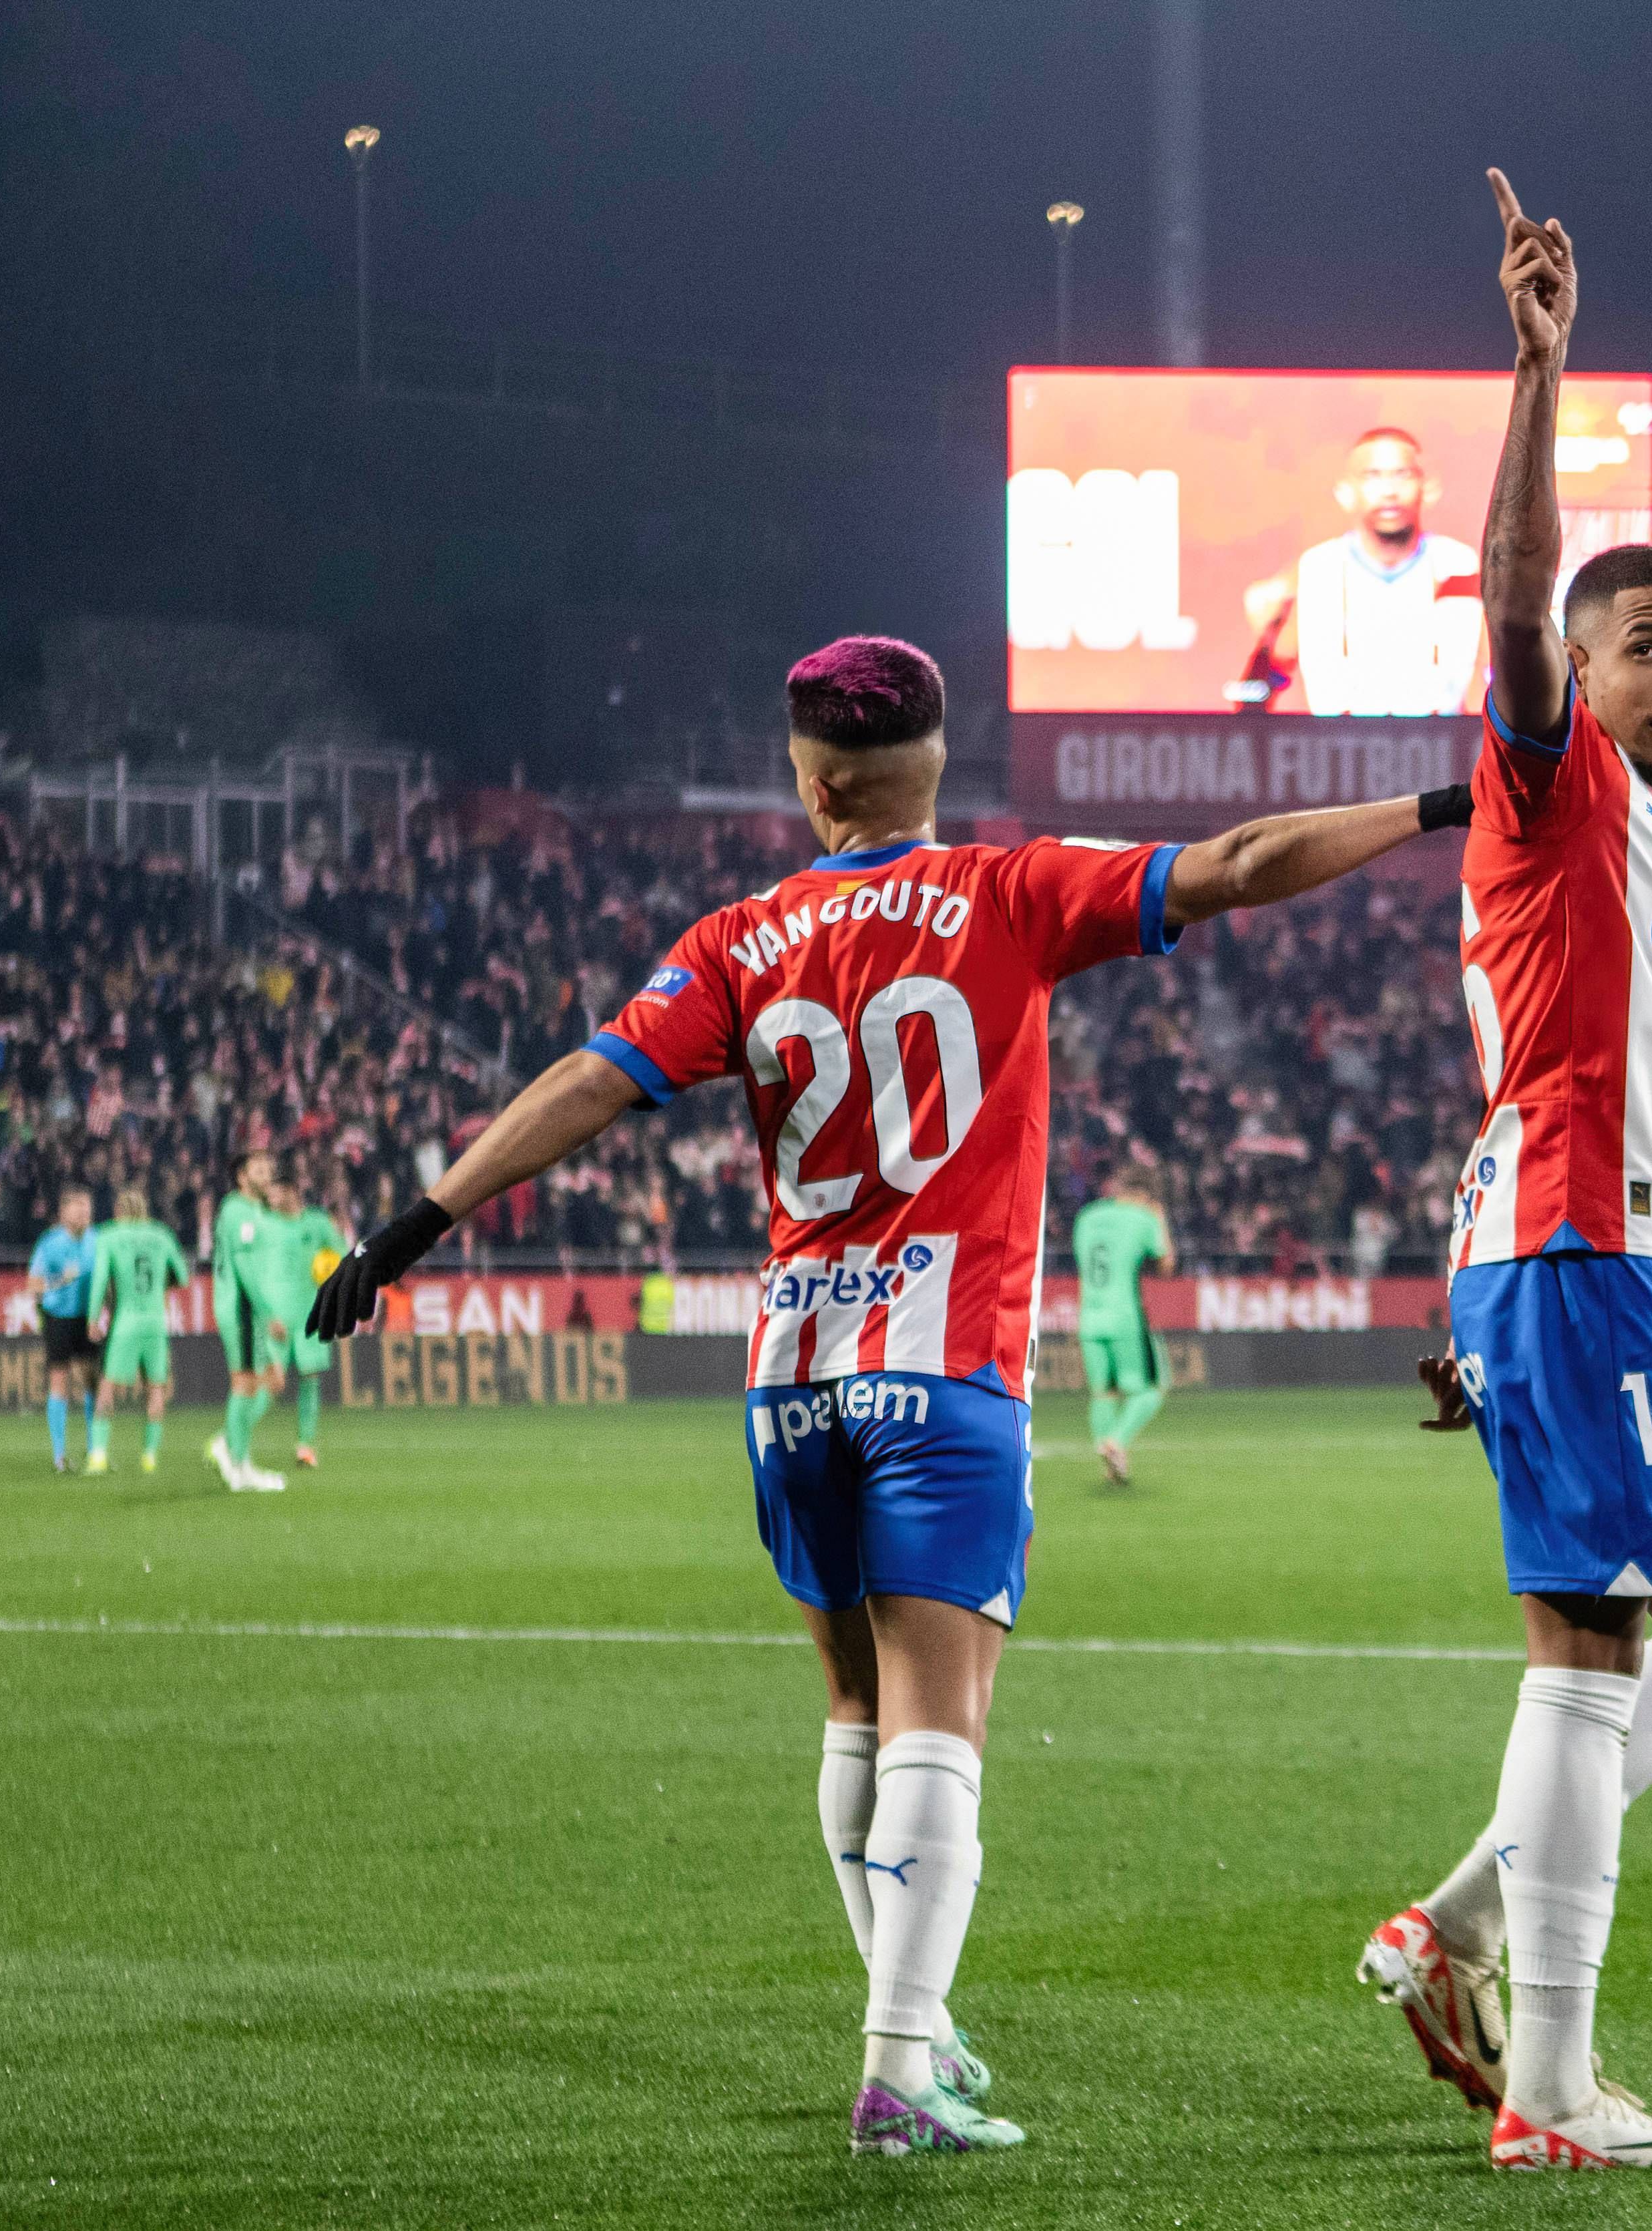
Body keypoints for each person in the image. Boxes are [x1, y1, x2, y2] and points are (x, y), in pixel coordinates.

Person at [306, 632, 1464, 2158]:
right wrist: (1437, 804)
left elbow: (589, 1082)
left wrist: (413, 1223)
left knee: (853, 1704)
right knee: (940, 1721)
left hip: (790, 1370)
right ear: (937, 760)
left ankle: (914, 2029)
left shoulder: (739, 938)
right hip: (943, 1362)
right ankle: (900, 2062)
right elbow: (1241, 862)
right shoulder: (1008, 890)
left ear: (810, 783)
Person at [1363, 170, 1652, 2174]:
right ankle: (1548, 2088)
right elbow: (1514, 581)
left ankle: (1445, 1929)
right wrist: (1537, 373)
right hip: (1565, 1247)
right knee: (1592, 1647)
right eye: (1647, 648)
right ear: (1580, 666)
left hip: (1608, 1269)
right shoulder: (1552, 777)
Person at [1237, 429, 1486, 716]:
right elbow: (1269, 679)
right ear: (1345, 492)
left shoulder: (1461, 566)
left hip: (1441, 740)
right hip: (1336, 741)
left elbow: (1497, 674)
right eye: (1372, 476)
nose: (1389, 491)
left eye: (1402, 475)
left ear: (1428, 488)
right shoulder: (1316, 571)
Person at [1070, 1163, 1173, 1486]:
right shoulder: (1142, 1216)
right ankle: (1117, 1441)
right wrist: (1159, 1218)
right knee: (1153, 1389)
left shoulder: (1087, 1216)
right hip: (1125, 1317)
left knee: (1104, 1393)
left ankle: (1111, 1462)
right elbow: (1165, 1265)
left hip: (1089, 1317)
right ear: (1145, 1195)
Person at [84, 1187, 190, 1478]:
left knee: (107, 1388)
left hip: (126, 1321)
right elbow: (182, 1276)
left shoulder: (109, 1235)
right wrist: (160, 1286)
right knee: (155, 1388)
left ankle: (98, 1455)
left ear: (119, 1211)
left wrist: (93, 1318)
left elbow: (100, 1278)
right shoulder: (162, 1235)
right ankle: (149, 1456)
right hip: (156, 1321)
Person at [208, 1149, 286, 1491]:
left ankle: (234, 1451)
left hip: (250, 1309)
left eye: (268, 1167)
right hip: (241, 1307)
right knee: (245, 1383)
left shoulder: (254, 1210)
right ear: (242, 1177)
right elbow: (242, 1267)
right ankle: (237, 1464)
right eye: (258, 1169)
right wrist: (268, 1313)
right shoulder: (237, 1210)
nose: (267, 1173)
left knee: (269, 1380)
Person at [264, 1175, 347, 1469]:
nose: (271, 1199)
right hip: (275, 1316)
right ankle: (235, 1442)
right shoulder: (266, 1225)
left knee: (310, 1379)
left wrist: (332, 1273)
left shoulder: (318, 1223)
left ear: (291, 1191)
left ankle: (306, 1446)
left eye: (276, 1192)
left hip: (310, 1314)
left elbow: (342, 1254)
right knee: (268, 1382)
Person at [29, 1187, 99, 1473]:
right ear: (64, 1212)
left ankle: (95, 1451)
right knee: (59, 1381)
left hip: (88, 1318)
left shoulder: (98, 1240)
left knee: (92, 1382)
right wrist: (60, 1280)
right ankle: (60, 1455)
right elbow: (33, 1285)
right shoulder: (50, 1243)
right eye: (78, 1207)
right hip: (58, 1318)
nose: (84, 1212)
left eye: (87, 1207)